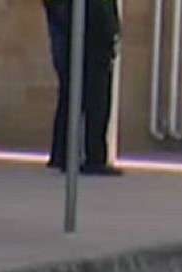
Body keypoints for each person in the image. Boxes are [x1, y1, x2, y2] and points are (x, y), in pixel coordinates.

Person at [42, 0, 123, 176]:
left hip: (79, 31)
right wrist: (109, 31)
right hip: (89, 34)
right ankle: (92, 156)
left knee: (72, 95)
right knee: (94, 99)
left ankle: (63, 153)